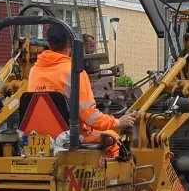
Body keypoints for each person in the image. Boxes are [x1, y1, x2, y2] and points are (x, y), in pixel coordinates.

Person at [28, 23, 137, 157]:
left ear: (49, 44)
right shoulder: (74, 72)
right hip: (67, 139)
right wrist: (118, 122)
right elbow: (89, 116)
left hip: (38, 138)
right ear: (70, 44)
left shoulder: (34, 70)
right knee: (113, 140)